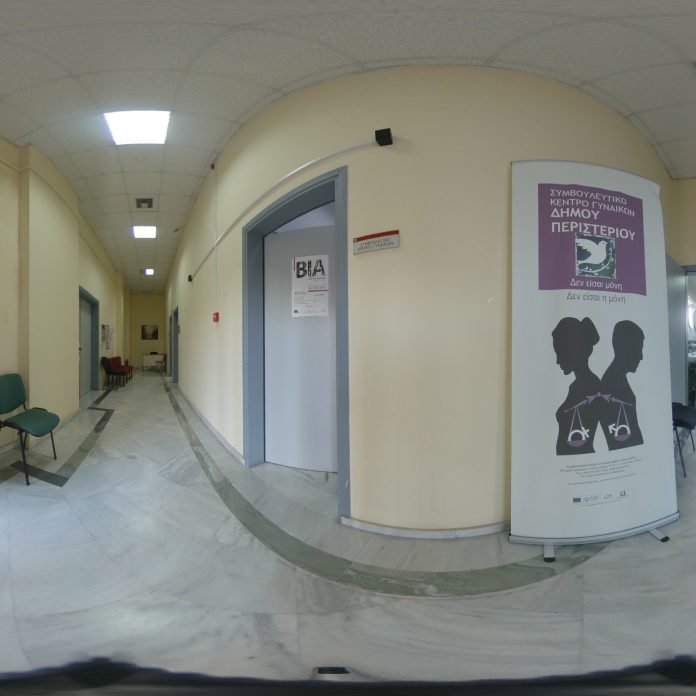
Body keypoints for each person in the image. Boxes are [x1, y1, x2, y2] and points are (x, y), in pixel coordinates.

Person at [552, 317, 601, 455]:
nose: (557, 361)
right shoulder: (575, 386)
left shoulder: (591, 385)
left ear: (574, 350)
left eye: (560, 352)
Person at [598, 320, 644, 450]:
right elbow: (623, 441)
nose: (641, 356)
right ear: (622, 348)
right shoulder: (612, 384)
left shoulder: (615, 379)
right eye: (637, 349)